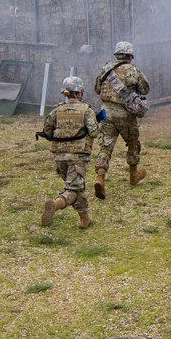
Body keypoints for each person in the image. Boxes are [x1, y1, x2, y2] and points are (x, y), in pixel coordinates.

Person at [40, 76, 99, 229]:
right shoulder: (87, 110)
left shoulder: (56, 110)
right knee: (73, 189)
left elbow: (47, 130)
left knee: (77, 187)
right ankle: (56, 204)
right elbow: (93, 132)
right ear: (79, 93)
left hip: (59, 157)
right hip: (78, 156)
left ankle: (85, 219)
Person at [93, 41, 149, 198]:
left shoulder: (105, 69)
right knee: (133, 143)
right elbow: (145, 89)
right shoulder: (133, 70)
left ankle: (100, 178)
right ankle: (133, 176)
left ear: (116, 54)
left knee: (105, 147)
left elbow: (97, 89)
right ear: (130, 56)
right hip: (125, 114)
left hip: (105, 112)